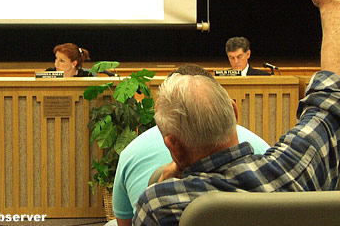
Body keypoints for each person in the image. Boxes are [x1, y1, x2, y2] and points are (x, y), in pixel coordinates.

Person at [133, 0, 340, 226]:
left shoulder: (161, 205)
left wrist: (164, 180)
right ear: (234, 114)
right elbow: (336, 89)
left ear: (173, 147)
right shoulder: (293, 168)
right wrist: (331, 1)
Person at [109, 64, 270, 226]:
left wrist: (158, 184)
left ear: (174, 147)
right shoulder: (276, 165)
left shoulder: (155, 206)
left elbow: (124, 222)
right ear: (233, 111)